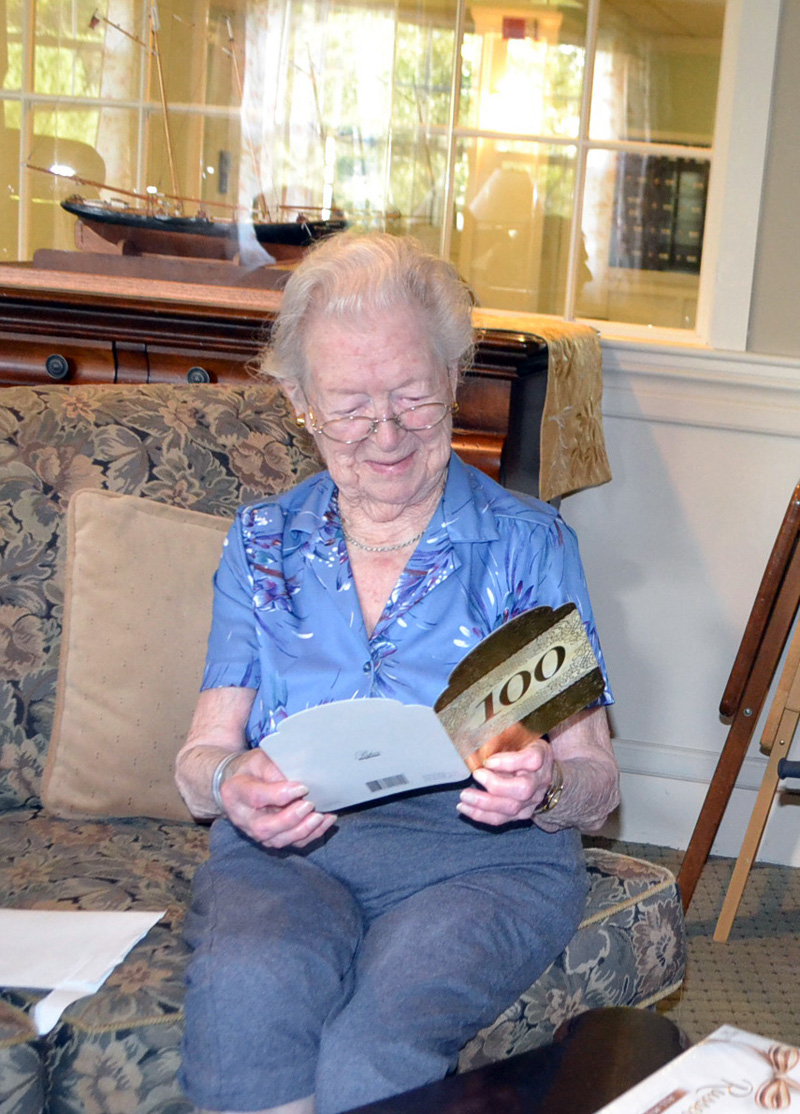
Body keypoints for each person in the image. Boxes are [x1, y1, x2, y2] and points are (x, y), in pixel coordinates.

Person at [175, 232, 620, 1114]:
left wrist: (543, 788)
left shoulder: (524, 546)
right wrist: (231, 782)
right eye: (349, 406)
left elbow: (600, 787)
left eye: (414, 399)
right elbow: (199, 762)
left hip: (479, 859)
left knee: (373, 1053)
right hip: (294, 848)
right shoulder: (264, 545)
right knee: (247, 1001)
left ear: (455, 380)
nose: (384, 434)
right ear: (299, 402)